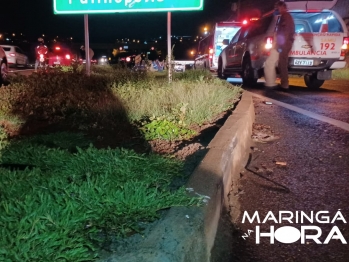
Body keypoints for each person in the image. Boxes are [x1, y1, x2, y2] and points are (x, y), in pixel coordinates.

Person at [264, 1, 295, 90]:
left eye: (278, 7)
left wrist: (280, 45)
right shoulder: (285, 17)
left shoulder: (285, 17)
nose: (277, 9)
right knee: (281, 63)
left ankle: (284, 84)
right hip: (284, 43)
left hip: (284, 44)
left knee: (282, 63)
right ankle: (282, 83)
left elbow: (285, 32)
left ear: (282, 7)